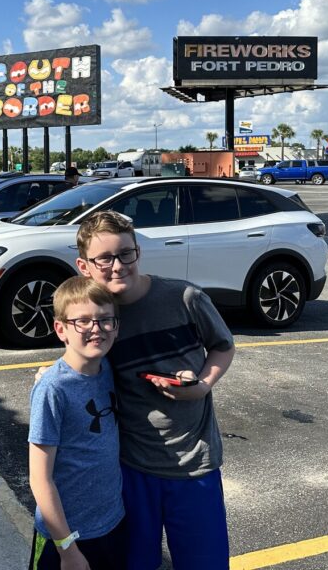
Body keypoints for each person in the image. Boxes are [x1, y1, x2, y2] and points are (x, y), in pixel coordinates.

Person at [74, 210, 236, 570]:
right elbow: (76, 362)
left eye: (125, 253)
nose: (117, 266)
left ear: (137, 253)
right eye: (104, 258)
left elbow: (223, 347)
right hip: (131, 469)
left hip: (195, 464)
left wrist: (203, 384)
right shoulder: (97, 317)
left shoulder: (184, 298)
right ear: (84, 266)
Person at [28, 276, 127, 570]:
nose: (95, 329)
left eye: (104, 320)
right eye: (82, 322)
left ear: (116, 326)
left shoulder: (108, 367)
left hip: (112, 525)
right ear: (61, 329)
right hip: (65, 539)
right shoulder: (52, 389)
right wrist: (66, 549)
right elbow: (40, 478)